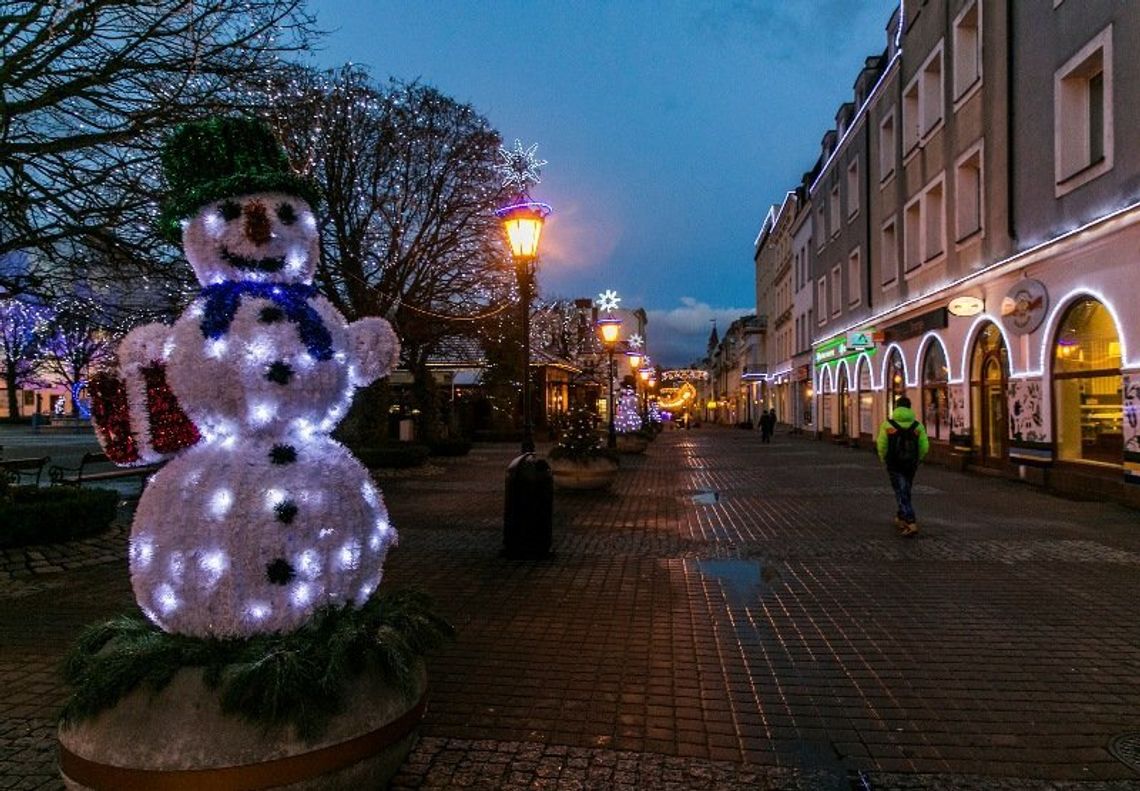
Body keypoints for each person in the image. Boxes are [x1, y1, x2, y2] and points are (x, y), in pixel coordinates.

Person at [875, 395, 929, 536]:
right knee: (905, 489)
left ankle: (911, 522)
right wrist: (919, 459)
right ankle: (901, 517)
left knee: (901, 490)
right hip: (911, 464)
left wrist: (883, 458)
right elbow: (924, 446)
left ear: (896, 407)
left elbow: (881, 445)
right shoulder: (918, 426)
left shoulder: (888, 425)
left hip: (894, 463)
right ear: (910, 408)